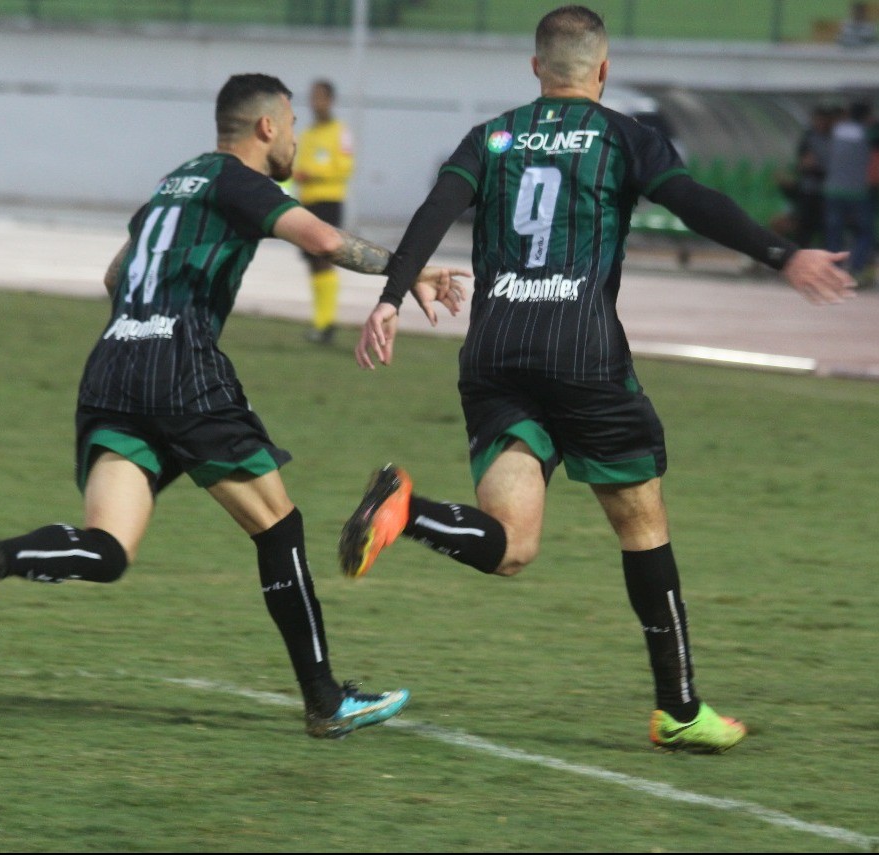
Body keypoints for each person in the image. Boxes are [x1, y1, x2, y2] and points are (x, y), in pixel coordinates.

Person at [337, 5, 856, 754]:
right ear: (602, 71)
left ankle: (406, 512)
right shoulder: (623, 136)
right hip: (579, 355)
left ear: (534, 69)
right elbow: (695, 202)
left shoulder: (493, 136)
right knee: (641, 523)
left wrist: (389, 297)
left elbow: (434, 210)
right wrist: (783, 256)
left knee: (511, 546)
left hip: (493, 354)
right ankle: (677, 708)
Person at [0, 73, 466, 740]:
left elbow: (114, 276)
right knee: (277, 526)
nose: (297, 140)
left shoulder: (172, 184)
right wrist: (409, 271)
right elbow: (326, 241)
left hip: (110, 366)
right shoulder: (238, 181)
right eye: (292, 127)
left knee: (107, 547)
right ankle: (325, 699)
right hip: (178, 365)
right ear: (266, 127)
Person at [292, 79, 355, 345]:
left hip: (329, 200)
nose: (315, 102)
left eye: (320, 97)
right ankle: (319, 321)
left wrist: (314, 173)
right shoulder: (307, 133)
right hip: (308, 201)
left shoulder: (341, 132)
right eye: (312, 96)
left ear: (330, 100)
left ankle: (327, 322)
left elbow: (344, 166)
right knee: (312, 262)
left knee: (325, 259)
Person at [824, 100, 876, 285]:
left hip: (833, 190)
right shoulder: (869, 132)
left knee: (834, 233)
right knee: (864, 233)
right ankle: (855, 270)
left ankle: (834, 271)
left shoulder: (837, 131)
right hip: (857, 192)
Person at [791, 104, 836, 248]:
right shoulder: (809, 137)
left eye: (823, 120)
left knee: (825, 225)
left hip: (826, 190)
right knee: (804, 225)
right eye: (817, 120)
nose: (820, 123)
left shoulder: (833, 138)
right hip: (809, 189)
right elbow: (804, 162)